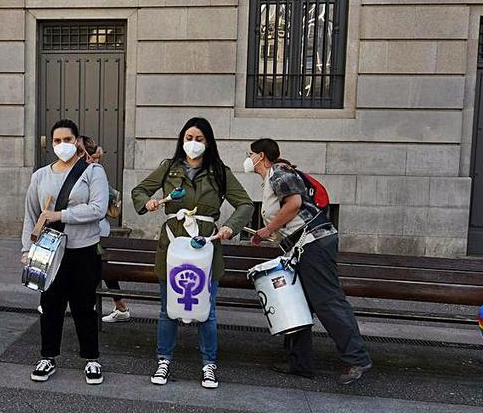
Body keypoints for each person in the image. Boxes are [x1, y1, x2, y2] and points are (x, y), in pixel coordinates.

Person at [131, 117, 252, 389]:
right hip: (173, 244)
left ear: (208, 142)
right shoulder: (169, 169)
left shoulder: (220, 172)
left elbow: (244, 204)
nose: (193, 144)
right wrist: (147, 202)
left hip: (206, 244)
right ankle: (164, 360)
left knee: (207, 310)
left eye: (199, 139)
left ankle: (209, 365)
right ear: (181, 140)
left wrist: (231, 228)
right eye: (189, 138)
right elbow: (139, 190)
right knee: (167, 310)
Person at [244, 138, 373, 385]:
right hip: (302, 245)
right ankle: (300, 363)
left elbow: (295, 204)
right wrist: (271, 232)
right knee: (296, 302)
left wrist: (267, 228)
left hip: (314, 243)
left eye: (250, 153)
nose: (248, 158)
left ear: (261, 156)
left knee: (327, 302)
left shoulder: (278, 172)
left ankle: (357, 359)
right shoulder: (272, 177)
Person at [21, 121, 109, 384]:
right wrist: (26, 249)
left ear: (77, 141)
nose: (62, 145)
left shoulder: (93, 172)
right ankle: (48, 356)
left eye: (67, 139)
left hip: (83, 250)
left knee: (85, 306)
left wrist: (61, 215)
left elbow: (98, 208)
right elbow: (31, 215)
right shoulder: (40, 176)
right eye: (57, 141)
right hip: (49, 251)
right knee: (51, 305)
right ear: (51, 143)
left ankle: (91, 359)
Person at [77, 136, 132, 323]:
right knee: (101, 270)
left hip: (94, 231)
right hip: (99, 230)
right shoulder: (93, 172)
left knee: (95, 269)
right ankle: (120, 306)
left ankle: (93, 306)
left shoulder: (92, 173)